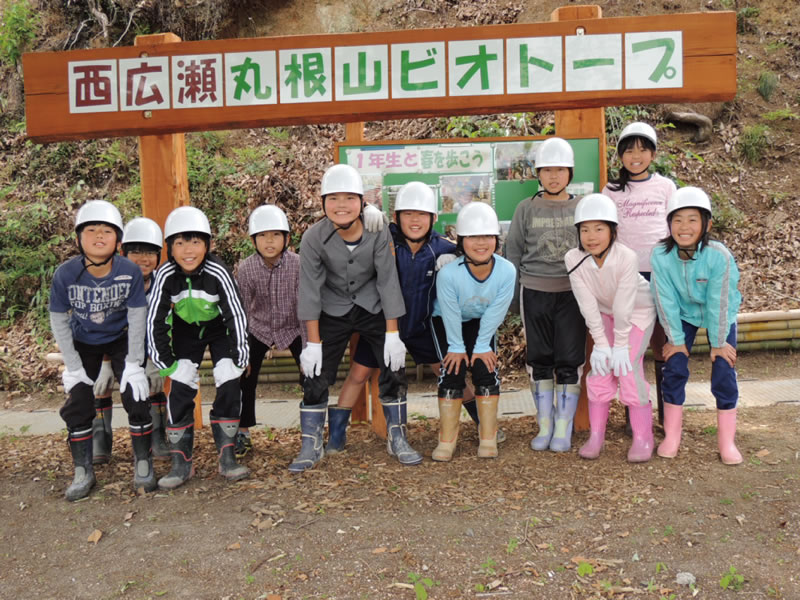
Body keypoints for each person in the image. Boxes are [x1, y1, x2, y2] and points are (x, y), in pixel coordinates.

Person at [332, 181, 492, 454]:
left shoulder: (442, 247)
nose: (415, 220)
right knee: (358, 374)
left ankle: (483, 424)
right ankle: (335, 435)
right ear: (396, 218)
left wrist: (456, 259)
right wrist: (367, 210)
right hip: (384, 328)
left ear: (433, 217)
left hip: (422, 326)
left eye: (422, 214)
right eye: (407, 213)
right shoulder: (383, 238)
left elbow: (476, 256)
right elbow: (349, 221)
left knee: (448, 371)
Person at [293, 164, 421, 472]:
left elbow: (388, 280)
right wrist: (312, 343)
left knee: (393, 364)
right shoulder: (313, 238)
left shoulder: (377, 231)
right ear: (322, 202)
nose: (341, 205)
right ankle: (311, 441)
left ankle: (397, 436)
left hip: (372, 305)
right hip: (332, 307)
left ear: (361, 202)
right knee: (314, 370)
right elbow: (309, 290)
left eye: (349, 198)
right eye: (333, 198)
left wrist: (393, 334)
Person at [49, 200, 152, 501]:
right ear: (79, 237)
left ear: (117, 239)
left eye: (106, 231)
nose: (98, 236)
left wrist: (134, 362)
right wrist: (73, 366)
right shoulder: (66, 274)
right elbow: (59, 319)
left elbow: (136, 317)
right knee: (79, 398)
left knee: (136, 393)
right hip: (84, 340)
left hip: (121, 338)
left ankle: (143, 462)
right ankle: (83, 470)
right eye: (91, 230)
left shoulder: (129, 271)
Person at [147, 206, 250, 490]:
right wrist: (168, 365)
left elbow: (236, 315)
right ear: (169, 247)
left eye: (195, 242)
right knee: (180, 390)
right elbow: (154, 320)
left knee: (229, 384)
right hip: (184, 330)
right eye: (179, 243)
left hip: (219, 328)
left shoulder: (218, 271)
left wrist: (239, 359)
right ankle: (181, 463)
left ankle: (227, 457)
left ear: (207, 244)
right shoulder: (165, 274)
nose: (188, 250)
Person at [650, 186, 743, 465]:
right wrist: (676, 339)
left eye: (692, 219)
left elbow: (719, 301)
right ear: (669, 225)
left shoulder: (718, 256)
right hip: (683, 314)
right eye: (677, 220)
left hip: (720, 315)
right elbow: (664, 298)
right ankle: (672, 436)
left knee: (724, 370)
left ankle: (727, 442)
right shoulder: (660, 255)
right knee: (674, 366)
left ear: (707, 224)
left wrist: (718, 343)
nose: (684, 227)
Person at [505, 137, 585, 452]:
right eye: (547, 170)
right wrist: (512, 300)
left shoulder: (582, 206)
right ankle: (545, 424)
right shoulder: (525, 208)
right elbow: (513, 253)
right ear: (538, 173)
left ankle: (563, 428)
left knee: (569, 359)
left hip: (573, 292)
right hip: (534, 290)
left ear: (570, 172)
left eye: (560, 170)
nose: (553, 176)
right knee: (539, 359)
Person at [565, 194, 657, 462]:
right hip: (605, 314)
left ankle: (643, 437)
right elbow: (587, 304)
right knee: (600, 370)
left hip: (637, 313)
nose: (591, 236)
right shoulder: (573, 258)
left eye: (599, 228)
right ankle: (596, 437)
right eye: (584, 229)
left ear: (613, 230)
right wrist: (602, 346)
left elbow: (625, 304)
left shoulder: (626, 257)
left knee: (627, 367)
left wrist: (619, 345)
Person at [602, 122, 677, 428]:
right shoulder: (610, 190)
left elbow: (677, 230)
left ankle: (662, 414)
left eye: (643, 149)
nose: (636, 155)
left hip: (661, 274)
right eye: (629, 149)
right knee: (628, 346)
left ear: (653, 153)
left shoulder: (666, 187)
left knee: (661, 345)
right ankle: (633, 409)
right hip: (626, 278)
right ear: (620, 155)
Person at [432, 202, 515, 460]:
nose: (481, 243)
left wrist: (481, 347)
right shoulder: (448, 274)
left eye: (488, 236)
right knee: (452, 371)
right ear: (461, 241)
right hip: (446, 320)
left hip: (482, 320)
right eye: (473, 237)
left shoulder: (506, 270)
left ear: (496, 239)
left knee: (485, 369)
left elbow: (496, 311)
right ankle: (447, 441)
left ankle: (488, 438)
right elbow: (449, 311)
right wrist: (456, 347)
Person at [235, 204, 306, 457]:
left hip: (293, 326)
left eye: (276, 235)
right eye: (263, 236)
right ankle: (242, 431)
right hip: (259, 327)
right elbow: (240, 311)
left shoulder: (298, 265)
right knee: (244, 376)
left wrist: (307, 351)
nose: (269, 241)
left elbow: (305, 307)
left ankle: (312, 428)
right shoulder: (247, 268)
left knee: (311, 372)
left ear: (286, 238)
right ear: (253, 240)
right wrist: (242, 351)